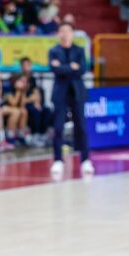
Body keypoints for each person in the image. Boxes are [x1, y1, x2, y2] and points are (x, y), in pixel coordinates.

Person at [49, 21, 92, 179]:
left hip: (77, 92)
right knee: (58, 127)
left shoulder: (79, 50)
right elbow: (55, 69)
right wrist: (70, 67)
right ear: (58, 33)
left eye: (68, 31)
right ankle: (58, 160)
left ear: (73, 33)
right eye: (62, 31)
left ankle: (85, 159)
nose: (65, 34)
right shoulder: (54, 51)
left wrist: (64, 67)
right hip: (60, 93)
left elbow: (82, 69)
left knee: (81, 127)